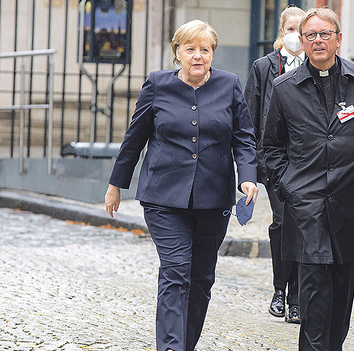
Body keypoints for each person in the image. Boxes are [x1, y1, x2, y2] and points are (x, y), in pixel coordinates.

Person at [104, 20, 258, 351]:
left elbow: (244, 138)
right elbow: (135, 138)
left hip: (213, 197)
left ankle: (184, 344)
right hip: (163, 195)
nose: (198, 56)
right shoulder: (158, 85)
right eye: (190, 49)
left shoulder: (229, 85)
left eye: (205, 49)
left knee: (201, 278)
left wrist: (247, 177)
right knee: (176, 272)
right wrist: (117, 184)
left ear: (213, 53)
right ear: (178, 52)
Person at [263, 8, 354, 351]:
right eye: (310, 35)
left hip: (352, 207)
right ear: (301, 41)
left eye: (324, 34)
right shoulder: (284, 88)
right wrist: (290, 187)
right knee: (314, 300)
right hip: (308, 208)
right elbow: (270, 147)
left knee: (342, 301)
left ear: (338, 39)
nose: (317, 41)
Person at [244, 5, 306, 324]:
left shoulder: (316, 65)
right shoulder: (264, 66)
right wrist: (249, 170)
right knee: (283, 224)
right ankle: (280, 289)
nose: (296, 35)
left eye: (301, 29)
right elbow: (249, 118)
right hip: (275, 162)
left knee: (301, 226)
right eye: (290, 29)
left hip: (308, 164)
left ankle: (296, 297)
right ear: (281, 32)